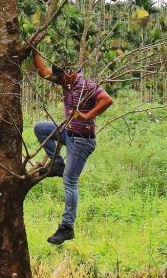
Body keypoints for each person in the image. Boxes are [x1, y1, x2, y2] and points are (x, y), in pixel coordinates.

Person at [30, 49, 113, 245]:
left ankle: (67, 227)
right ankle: (57, 164)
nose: (60, 81)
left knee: (70, 181)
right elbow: (43, 71)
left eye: (62, 77)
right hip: (68, 133)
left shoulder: (86, 85)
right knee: (41, 128)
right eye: (58, 78)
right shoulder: (64, 80)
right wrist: (34, 50)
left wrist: (87, 115)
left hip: (82, 140)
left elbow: (107, 100)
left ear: (70, 72)